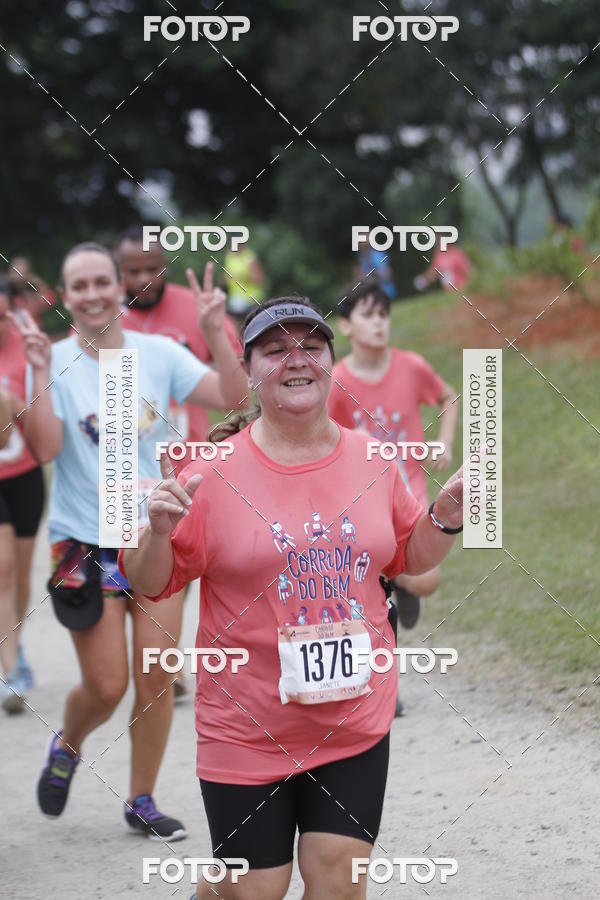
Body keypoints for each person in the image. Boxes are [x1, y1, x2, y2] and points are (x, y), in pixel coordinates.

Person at [120, 297, 464, 899]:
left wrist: (446, 518)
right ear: (249, 372)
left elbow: (409, 556)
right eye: (275, 350)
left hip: (351, 717)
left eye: (310, 346)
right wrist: (155, 531)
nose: (295, 360)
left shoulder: (373, 457)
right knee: (255, 889)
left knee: (338, 880)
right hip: (247, 724)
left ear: (332, 362)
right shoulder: (210, 472)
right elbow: (151, 581)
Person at [16, 242, 248, 839]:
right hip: (84, 543)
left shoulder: (159, 353)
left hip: (154, 532)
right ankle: (68, 745)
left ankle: (141, 798)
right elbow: (43, 450)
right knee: (107, 685)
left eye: (101, 281)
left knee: (155, 672)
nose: (92, 294)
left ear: (120, 287)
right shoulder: (57, 360)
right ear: (65, 298)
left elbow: (236, 398)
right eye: (79, 286)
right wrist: (40, 372)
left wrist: (214, 330)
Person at [328, 280, 458, 697]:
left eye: (384, 315)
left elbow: (449, 398)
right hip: (358, 498)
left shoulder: (412, 366)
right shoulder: (335, 380)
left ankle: (403, 584)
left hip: (410, 491)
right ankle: (386, 687)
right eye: (368, 315)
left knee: (425, 580)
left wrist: (445, 443)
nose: (379, 323)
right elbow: (322, 433)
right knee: (369, 585)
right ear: (346, 325)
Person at [116, 225, 244, 467]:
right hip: (123, 468)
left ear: (165, 265)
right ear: (120, 271)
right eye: (133, 271)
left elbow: (239, 385)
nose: (144, 279)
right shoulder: (100, 319)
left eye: (152, 269)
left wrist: (208, 344)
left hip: (190, 462)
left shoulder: (198, 308)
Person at [0, 279, 45, 713]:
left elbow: (44, 427)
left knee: (22, 572)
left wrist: (17, 407)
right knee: (4, 568)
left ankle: (14, 643)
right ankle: (10, 669)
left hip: (26, 475)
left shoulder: (27, 348)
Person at [223, 242, 266, 327]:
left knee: (252, 327)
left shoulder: (249, 257)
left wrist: (241, 277)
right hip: (235, 300)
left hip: (251, 300)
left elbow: (259, 278)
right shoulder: (229, 256)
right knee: (235, 329)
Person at [5, 256, 57, 326]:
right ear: (10, 273)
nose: (19, 276)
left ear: (28, 273)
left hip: (33, 330)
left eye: (23, 272)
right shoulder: (5, 289)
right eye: (16, 272)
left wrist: (38, 283)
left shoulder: (32, 290)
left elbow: (49, 301)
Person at [354, 230, 397, 300]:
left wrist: (369, 276)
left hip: (384, 290)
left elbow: (386, 275)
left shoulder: (378, 254)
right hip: (372, 291)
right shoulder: (363, 258)